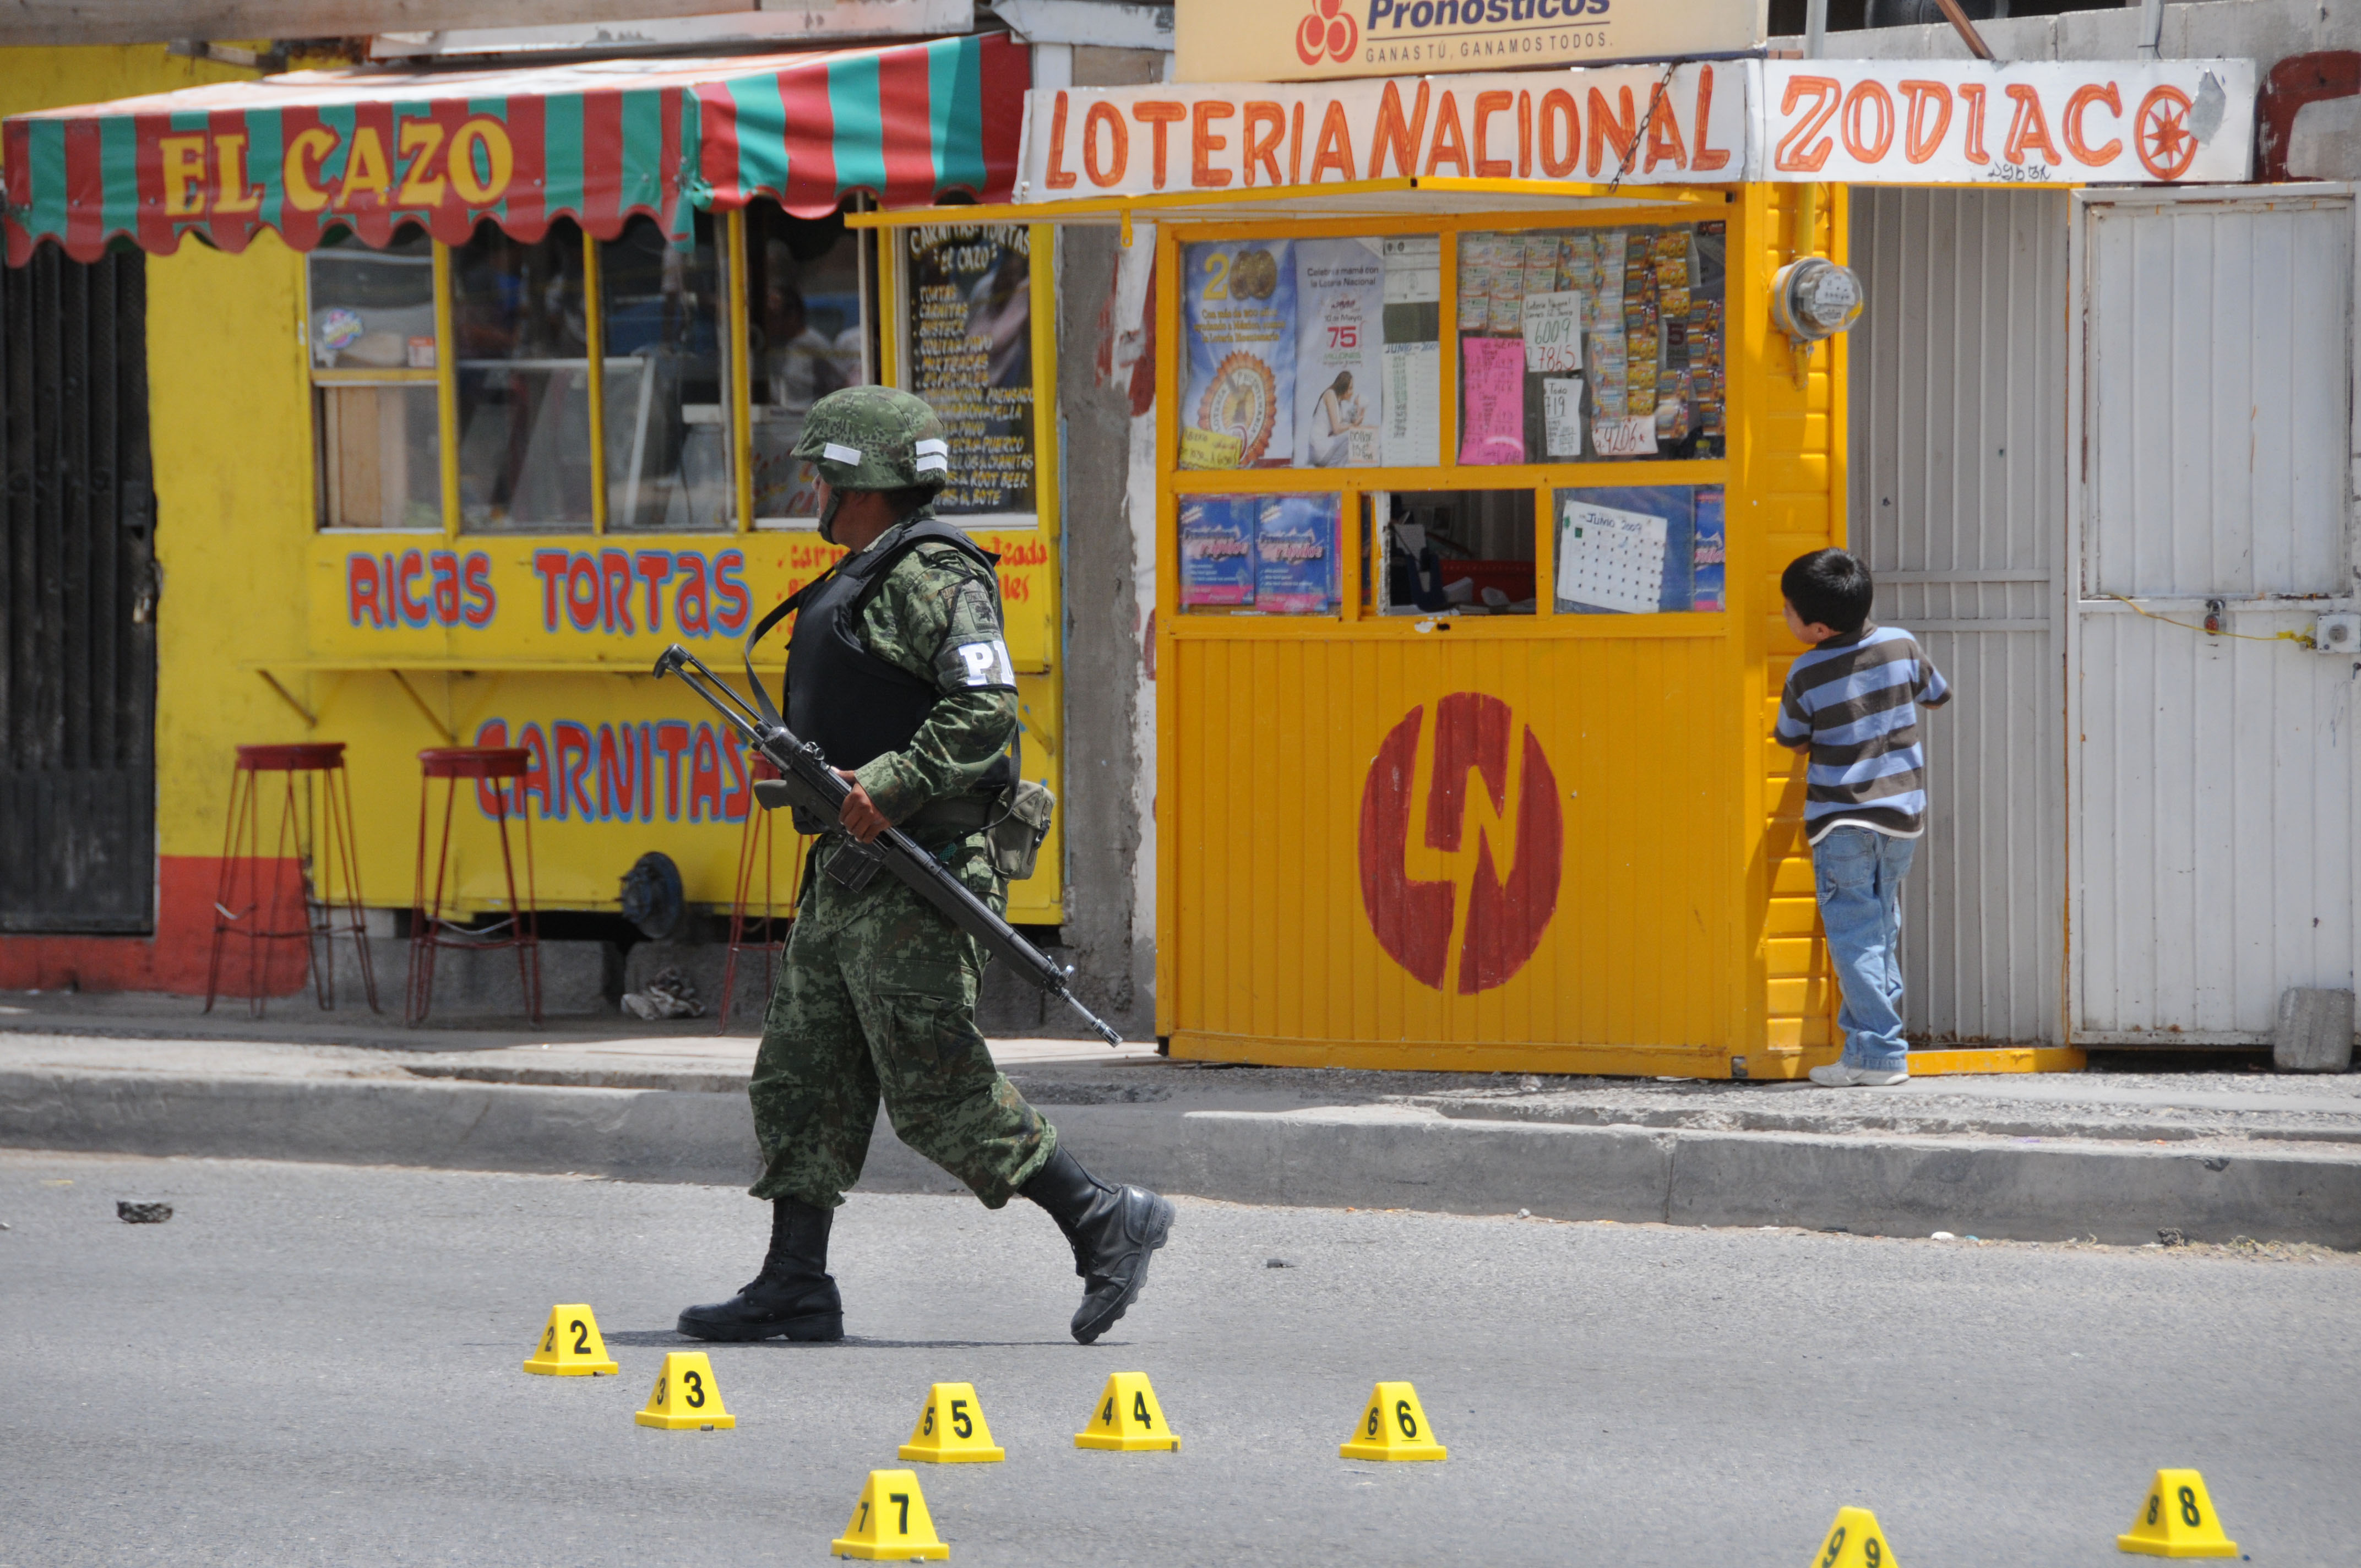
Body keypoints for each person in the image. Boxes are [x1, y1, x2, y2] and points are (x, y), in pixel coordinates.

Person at [677, 386, 1173, 1346]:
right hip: (848, 868)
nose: (811, 487)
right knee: (801, 1075)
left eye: (821, 470)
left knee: (936, 1087)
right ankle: (793, 1280)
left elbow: (984, 710)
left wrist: (894, 781)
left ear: (861, 478)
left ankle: (1106, 1218)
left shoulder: (935, 573)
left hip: (918, 868)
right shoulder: (862, 575)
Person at [1774, 548, 1951, 1088]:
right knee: (1878, 926)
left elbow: (1792, 739)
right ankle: (1864, 1046)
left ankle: (1878, 1052)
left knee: (1853, 934)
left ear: (1818, 626)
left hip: (1841, 819)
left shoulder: (1805, 671)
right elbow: (1937, 696)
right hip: (1902, 816)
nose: (1783, 617)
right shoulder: (1901, 644)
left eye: (1787, 611)